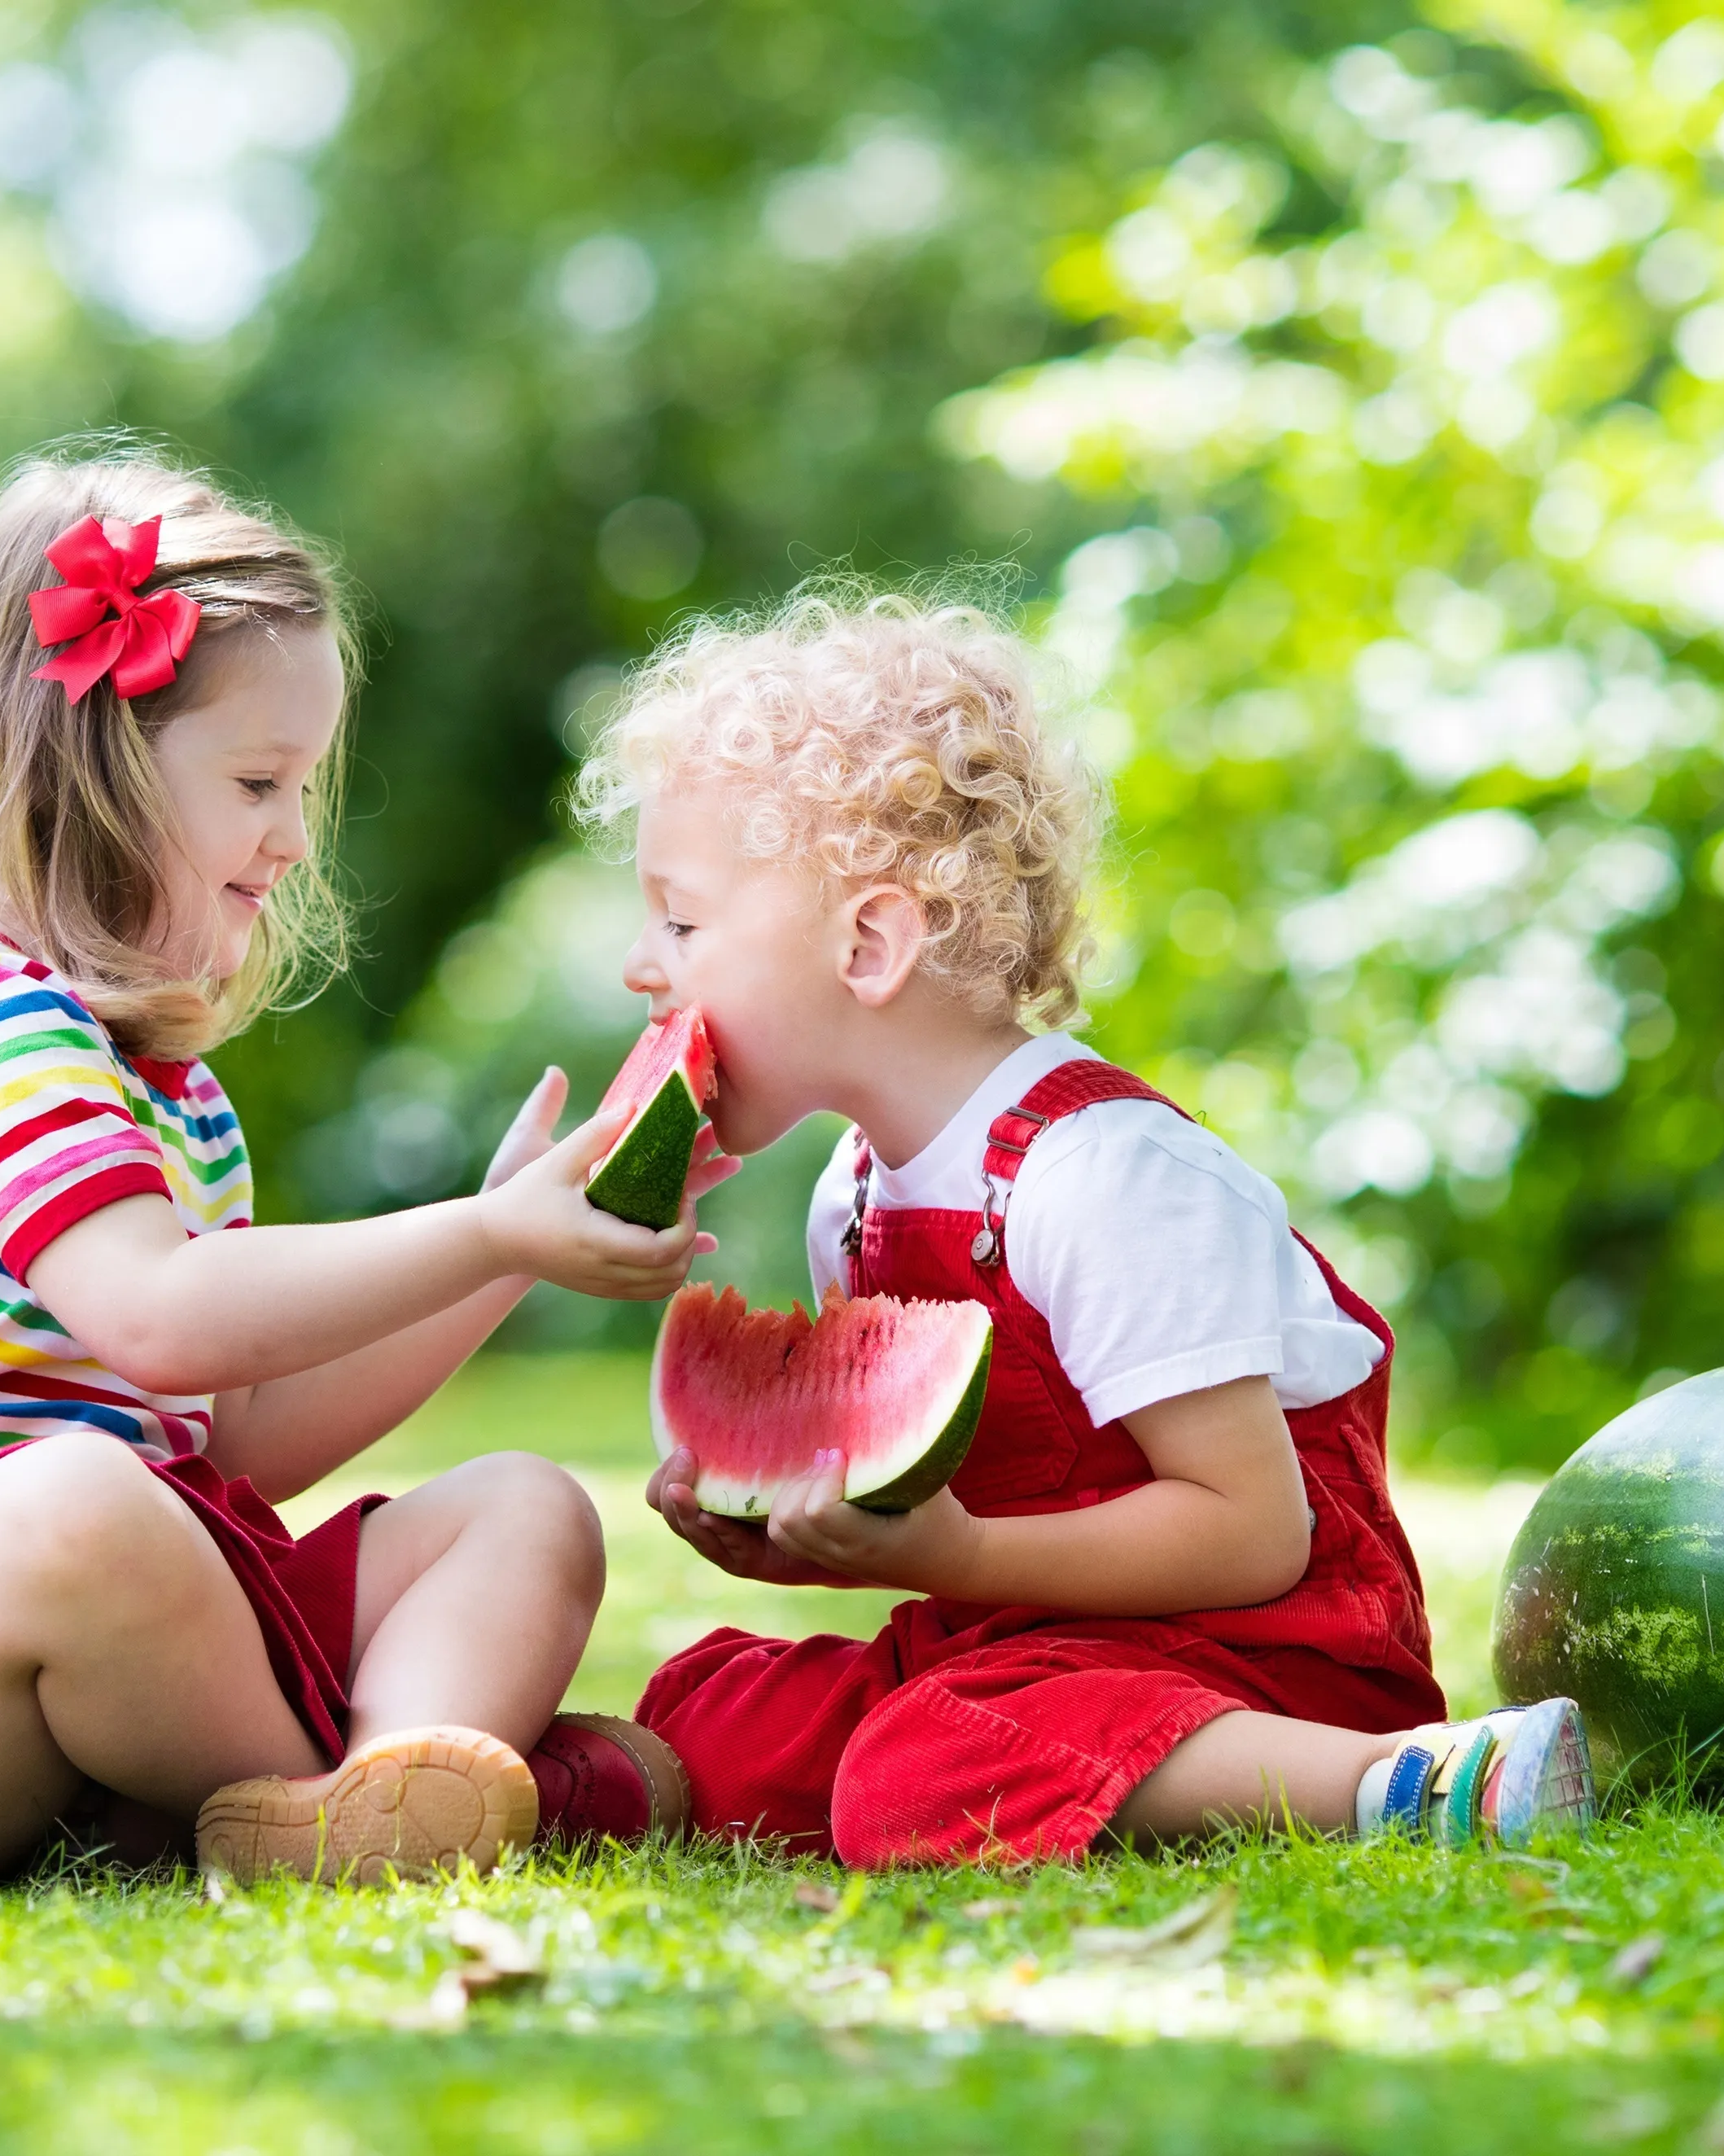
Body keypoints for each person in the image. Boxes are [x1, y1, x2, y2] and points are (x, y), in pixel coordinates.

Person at [0, 448, 696, 1883]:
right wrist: (486, 1233)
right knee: (79, 1502)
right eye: (259, 781)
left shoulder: (170, 1093)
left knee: (528, 1509)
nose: (292, 837)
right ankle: (359, 1797)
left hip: (127, 1674)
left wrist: (506, 1260)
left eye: (303, 785)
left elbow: (237, 1442)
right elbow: (154, 1311)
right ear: (91, 762)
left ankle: (367, 1799)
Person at [579, 589, 1592, 1867]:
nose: (640, 964)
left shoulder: (1100, 1176)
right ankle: (556, 1785)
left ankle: (1403, 1782)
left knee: (917, 1766)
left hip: (1263, 1654)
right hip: (1027, 1642)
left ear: (872, 940)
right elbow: (930, 1511)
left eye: (681, 920)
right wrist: (802, 1541)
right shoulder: (858, 1194)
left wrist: (964, 1551)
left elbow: (1251, 1534)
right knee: (718, 1705)